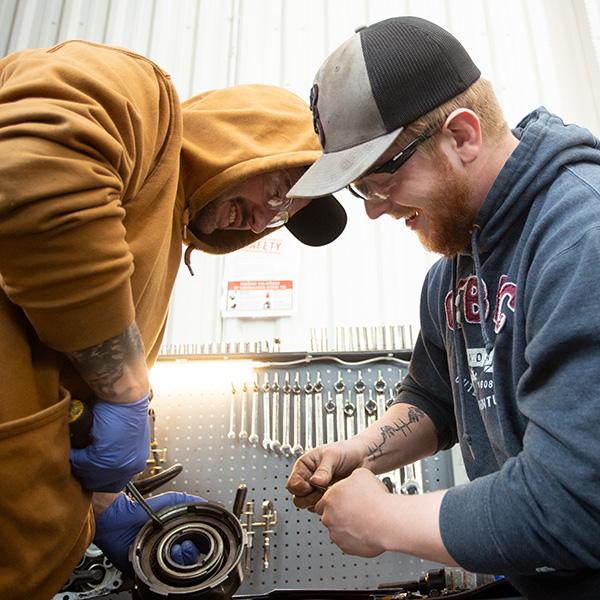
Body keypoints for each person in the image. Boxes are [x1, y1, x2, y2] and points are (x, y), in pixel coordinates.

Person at [0, 40, 346, 599]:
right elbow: (33, 173)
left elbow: (58, 394)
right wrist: (125, 387)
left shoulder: (155, 246)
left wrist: (103, 509)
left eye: (284, 216)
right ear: (247, 133)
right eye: (279, 189)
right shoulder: (144, 102)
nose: (265, 220)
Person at [286, 16, 600, 600]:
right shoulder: (451, 272)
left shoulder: (582, 236)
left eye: (381, 177)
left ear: (461, 136)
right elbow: (436, 400)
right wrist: (359, 454)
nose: (375, 210)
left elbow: (573, 504)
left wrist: (383, 521)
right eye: (361, 190)